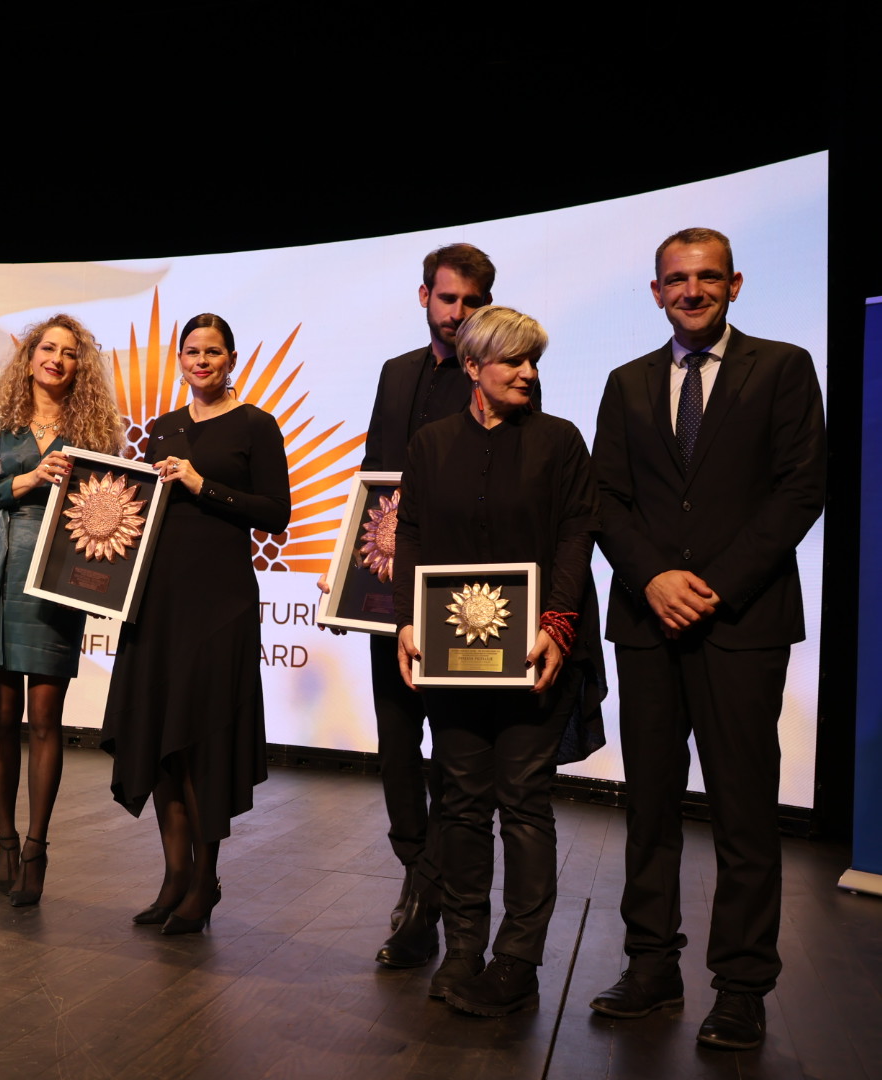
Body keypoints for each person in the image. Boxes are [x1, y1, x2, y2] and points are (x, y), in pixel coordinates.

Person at [589, 228, 826, 1051]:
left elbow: (802, 489)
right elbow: (605, 498)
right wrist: (654, 578)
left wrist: (714, 585)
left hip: (742, 624)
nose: (692, 291)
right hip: (647, 623)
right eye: (677, 279)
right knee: (649, 807)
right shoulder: (626, 382)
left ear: (735, 284)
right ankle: (651, 967)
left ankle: (742, 987)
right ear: (656, 291)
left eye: (708, 277)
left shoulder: (784, 367)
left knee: (743, 811)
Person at [393, 305, 597, 1017]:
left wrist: (558, 623)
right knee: (460, 804)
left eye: (533, 360)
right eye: (514, 360)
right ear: (474, 367)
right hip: (453, 661)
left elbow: (576, 535)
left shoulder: (559, 441)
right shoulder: (430, 444)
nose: (528, 373)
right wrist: (407, 620)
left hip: (536, 656)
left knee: (523, 802)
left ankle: (517, 962)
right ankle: (462, 950)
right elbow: (410, 534)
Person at [318, 243, 509, 969]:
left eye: (471, 302)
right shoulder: (396, 372)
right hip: (390, 595)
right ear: (424, 296)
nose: (457, 313)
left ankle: (431, 902)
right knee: (397, 748)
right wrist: (349, 572)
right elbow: (376, 482)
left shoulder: (500, 374)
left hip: (462, 597)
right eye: (447, 298)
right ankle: (418, 876)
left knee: (457, 755)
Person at [100, 313, 291, 934]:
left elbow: (277, 514)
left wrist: (203, 484)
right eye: (191, 352)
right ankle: (174, 877)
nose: (201, 361)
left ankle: (205, 882)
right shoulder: (163, 428)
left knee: (204, 738)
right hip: (159, 600)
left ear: (231, 359)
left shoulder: (256, 425)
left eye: (212, 352)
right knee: (163, 738)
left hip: (220, 603)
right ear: (180, 360)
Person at [0, 314, 123, 905]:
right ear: (28, 358)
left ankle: (36, 846)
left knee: (46, 719)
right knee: (2, 717)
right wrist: (27, 480)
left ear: (81, 366)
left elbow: (113, 508)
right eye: (47, 348)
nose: (57, 359)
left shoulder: (96, 430)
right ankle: (5, 839)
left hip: (58, 581)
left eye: (69, 352)